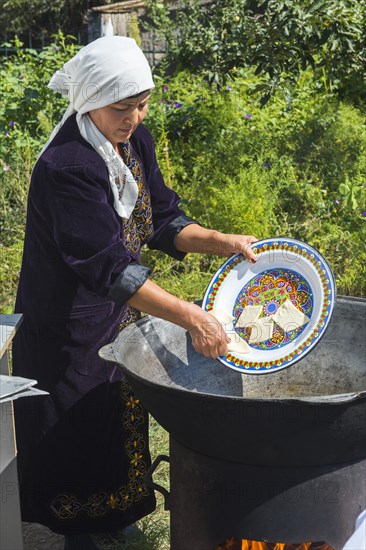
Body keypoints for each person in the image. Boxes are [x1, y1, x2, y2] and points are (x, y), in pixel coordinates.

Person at [12, 36, 257, 550]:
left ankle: (114, 514)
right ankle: (76, 533)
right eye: (122, 107)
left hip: (119, 310)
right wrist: (192, 316)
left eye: (142, 104)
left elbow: (162, 218)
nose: (136, 117)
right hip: (68, 323)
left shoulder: (132, 142)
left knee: (116, 411)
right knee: (75, 420)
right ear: (89, 102)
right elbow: (110, 272)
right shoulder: (67, 168)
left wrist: (222, 242)